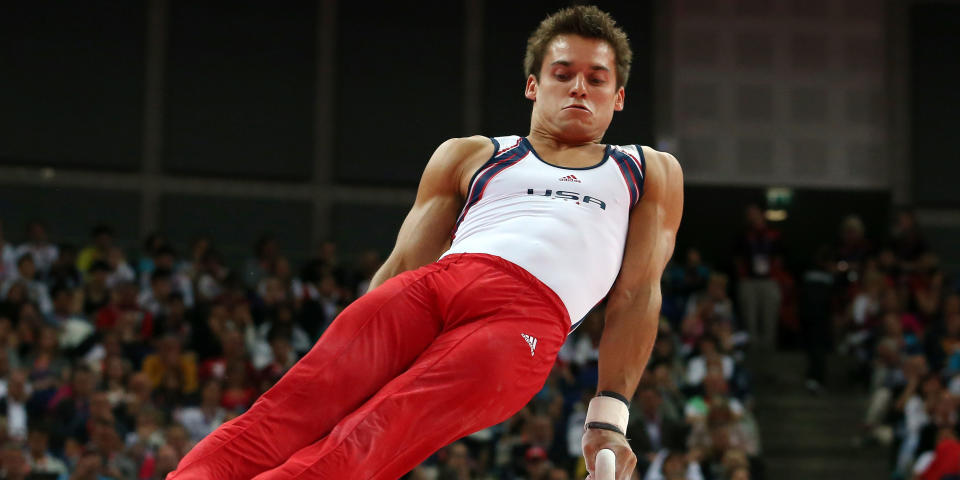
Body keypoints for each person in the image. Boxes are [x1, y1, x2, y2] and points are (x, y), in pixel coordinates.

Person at [169, 5, 683, 480]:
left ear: (618, 97)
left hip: (522, 320)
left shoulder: (645, 170)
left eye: (597, 79)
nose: (578, 89)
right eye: (563, 73)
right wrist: (355, 353)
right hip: (431, 287)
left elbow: (637, 294)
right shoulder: (472, 154)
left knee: (367, 440)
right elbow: (404, 265)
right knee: (290, 410)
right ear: (533, 84)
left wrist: (608, 416)